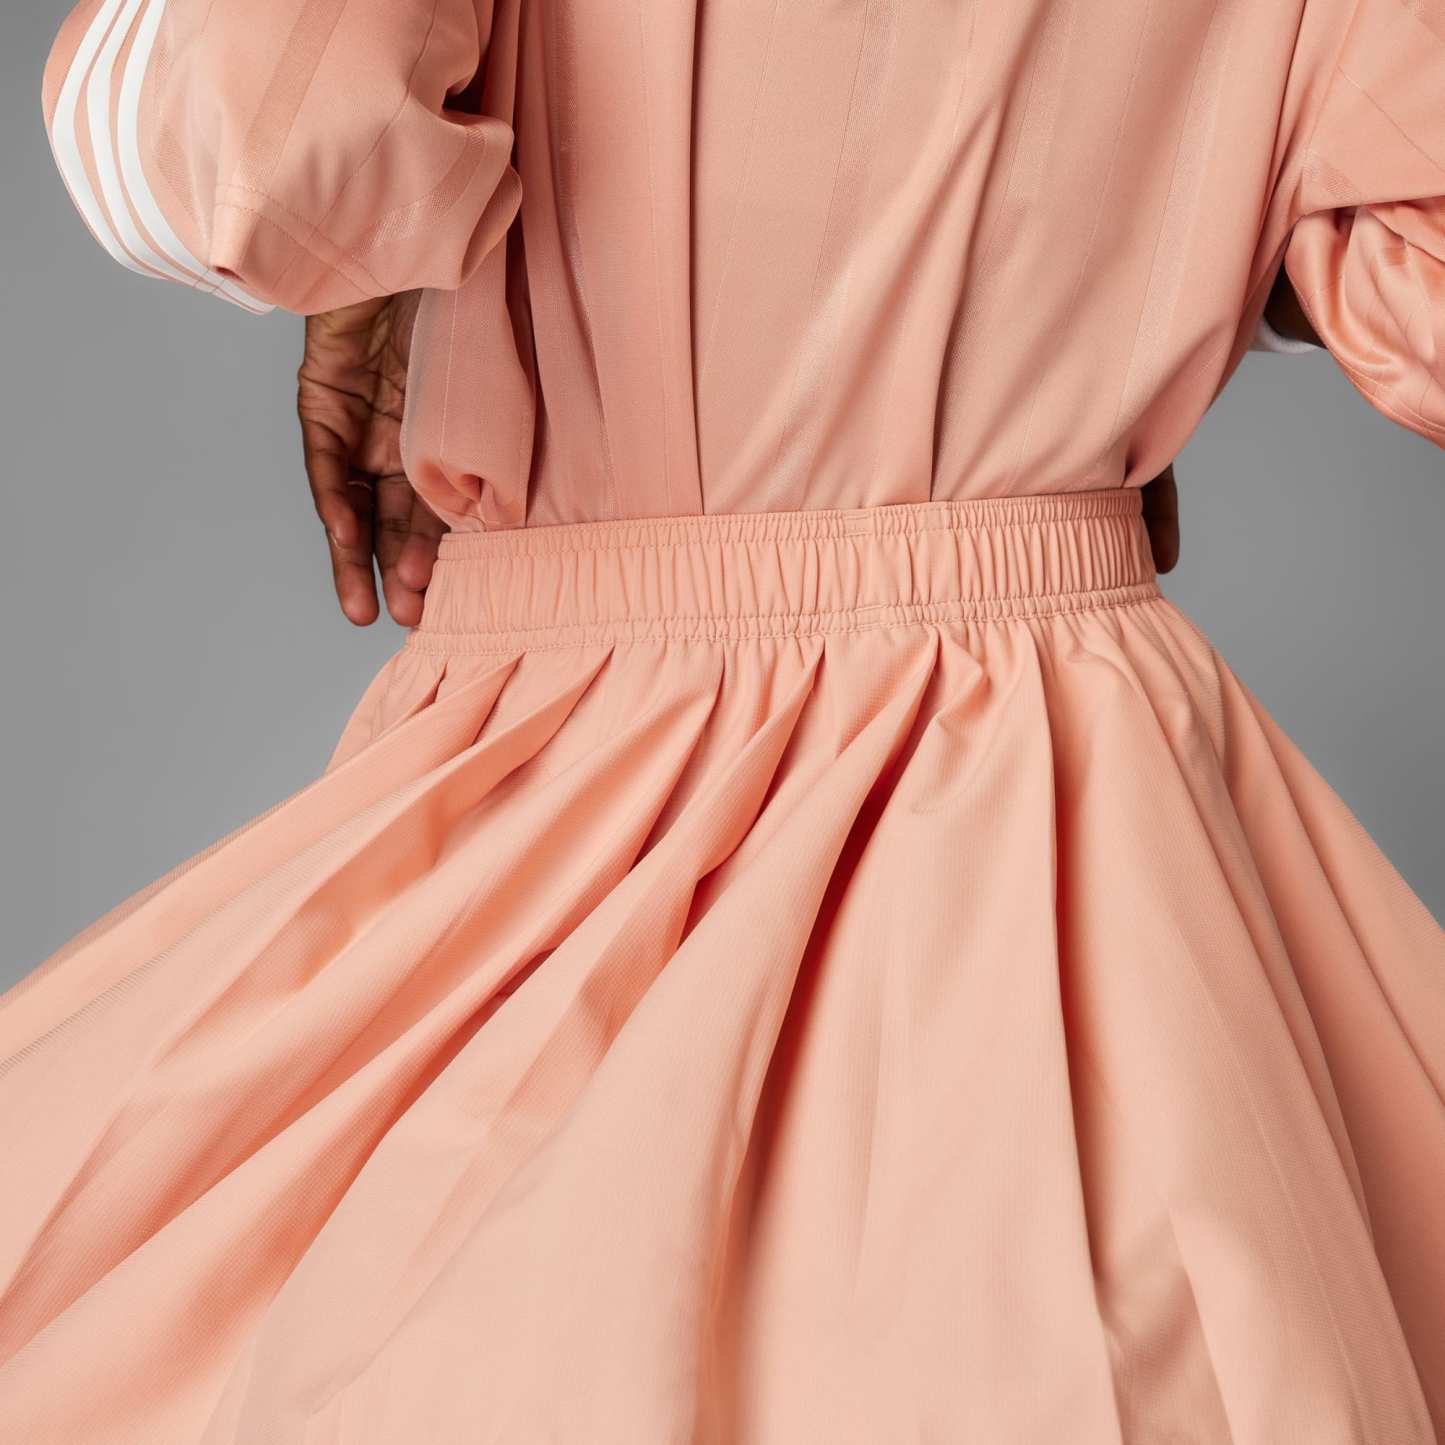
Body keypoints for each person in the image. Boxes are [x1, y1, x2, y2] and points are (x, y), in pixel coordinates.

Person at [2, 0, 1441, 1440]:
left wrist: (377, 234)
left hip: (578, 781)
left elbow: (258, 137)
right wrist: (1144, 239)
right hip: (1077, 824)